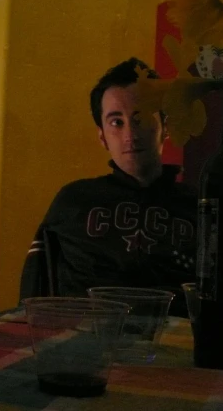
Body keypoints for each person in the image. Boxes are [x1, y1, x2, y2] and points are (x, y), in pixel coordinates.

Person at [19, 58, 197, 313]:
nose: (130, 135)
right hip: (83, 342)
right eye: (116, 122)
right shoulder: (74, 201)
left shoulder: (199, 206)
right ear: (102, 136)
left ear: (165, 126)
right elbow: (32, 297)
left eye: (141, 117)